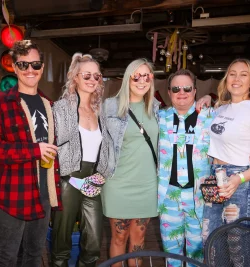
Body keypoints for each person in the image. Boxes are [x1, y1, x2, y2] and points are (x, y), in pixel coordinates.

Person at [0, 40, 60, 267]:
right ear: (14, 68)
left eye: (35, 64)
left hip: (44, 191)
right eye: (23, 65)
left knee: (34, 255)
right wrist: (34, 150)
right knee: (6, 257)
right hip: (13, 193)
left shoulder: (48, 104)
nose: (30, 70)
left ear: (42, 67)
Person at [202, 58, 250, 265]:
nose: (236, 79)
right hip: (214, 178)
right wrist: (203, 99)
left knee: (239, 249)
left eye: (243, 74)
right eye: (232, 73)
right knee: (211, 243)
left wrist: (239, 178)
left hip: (242, 183)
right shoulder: (221, 109)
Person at [50, 53, 112, 267]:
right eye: (87, 74)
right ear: (74, 76)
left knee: (94, 242)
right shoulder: (59, 108)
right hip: (67, 179)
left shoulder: (100, 111)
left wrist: (101, 175)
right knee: (61, 241)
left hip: (92, 180)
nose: (92, 79)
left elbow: (107, 148)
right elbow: (52, 149)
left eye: (97, 76)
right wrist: (70, 179)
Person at [102, 58, 159, 267]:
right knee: (119, 238)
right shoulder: (110, 106)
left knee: (139, 240)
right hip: (118, 184)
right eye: (137, 75)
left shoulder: (158, 109)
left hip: (147, 185)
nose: (142, 80)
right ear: (128, 78)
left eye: (147, 76)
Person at [158, 69, 215, 266]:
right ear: (169, 92)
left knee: (197, 253)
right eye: (176, 88)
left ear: (195, 91)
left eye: (187, 88)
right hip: (168, 196)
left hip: (198, 196)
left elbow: (236, 115)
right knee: (171, 252)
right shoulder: (160, 117)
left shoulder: (209, 115)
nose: (181, 92)